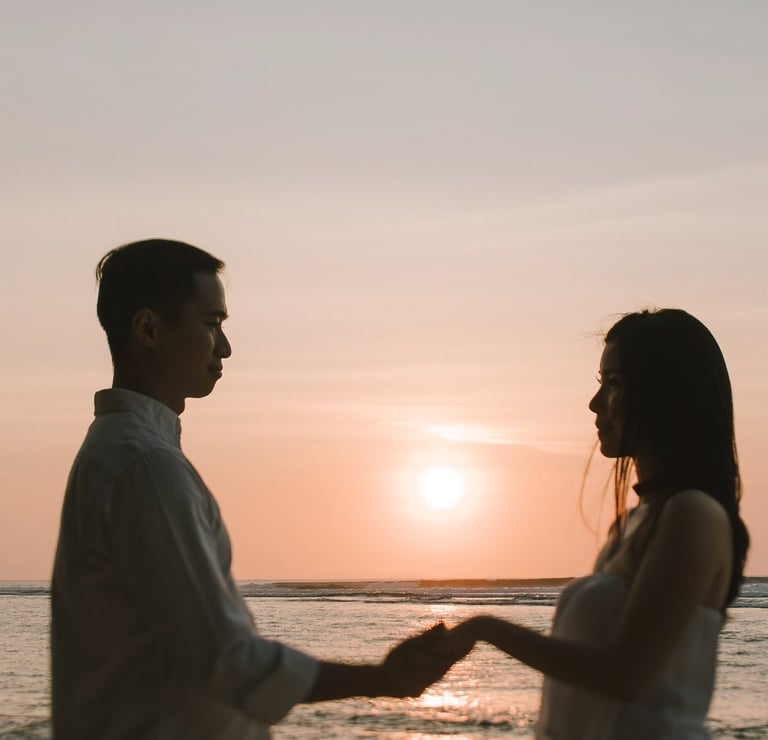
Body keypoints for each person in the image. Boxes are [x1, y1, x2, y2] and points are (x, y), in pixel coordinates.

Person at [51, 238, 463, 740]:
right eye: (211, 324)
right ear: (149, 329)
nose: (224, 347)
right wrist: (385, 678)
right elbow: (225, 661)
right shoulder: (145, 466)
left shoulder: (121, 453)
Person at [445, 308, 750, 739]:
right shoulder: (634, 523)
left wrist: (485, 627)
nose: (595, 403)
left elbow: (627, 675)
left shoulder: (693, 515)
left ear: (667, 394)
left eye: (614, 384)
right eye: (600, 383)